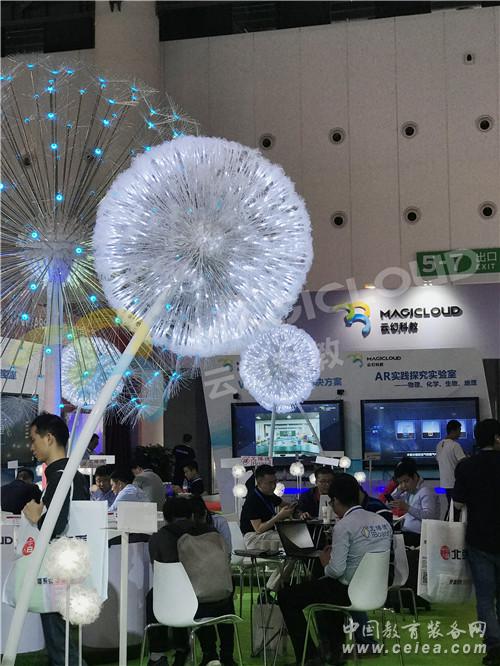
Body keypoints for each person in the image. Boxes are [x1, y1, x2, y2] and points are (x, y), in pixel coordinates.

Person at [277, 474, 392, 666]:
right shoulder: (382, 522)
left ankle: (309, 656)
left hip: (349, 590)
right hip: (378, 589)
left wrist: (325, 562)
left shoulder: (344, 526)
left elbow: (336, 571)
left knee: (287, 596)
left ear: (336, 500)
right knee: (325, 589)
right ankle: (333, 653)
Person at [23, 412, 89, 666]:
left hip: (58, 571)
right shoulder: (68, 475)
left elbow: (56, 526)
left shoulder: (63, 477)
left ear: (49, 438)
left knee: (61, 646)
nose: (32, 447)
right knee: (63, 643)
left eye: (34, 439)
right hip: (68, 569)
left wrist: (35, 517)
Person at [147, 497, 237, 666]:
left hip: (187, 606)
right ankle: (225, 654)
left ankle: (160, 654)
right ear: (192, 514)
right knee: (214, 585)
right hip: (221, 603)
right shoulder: (212, 532)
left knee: (156, 595)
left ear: (166, 517)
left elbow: (159, 573)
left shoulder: (161, 537)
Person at [453, 419, 500, 666]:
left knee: (484, 598)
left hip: (479, 539)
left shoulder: (466, 467)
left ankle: (494, 647)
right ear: (496, 438)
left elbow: (458, 503)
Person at [390, 458, 439, 609]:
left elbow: (429, 516)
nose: (404, 485)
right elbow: (390, 499)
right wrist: (399, 489)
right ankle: (396, 595)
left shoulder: (426, 491)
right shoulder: (409, 492)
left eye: (406, 481)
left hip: (420, 537)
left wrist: (407, 507)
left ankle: (402, 596)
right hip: (409, 534)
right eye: (401, 482)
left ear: (415, 476)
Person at [239, 464, 296, 549]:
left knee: (296, 534)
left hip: (268, 533)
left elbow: (286, 505)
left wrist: (297, 509)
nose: (273, 486)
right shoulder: (253, 499)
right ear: (259, 483)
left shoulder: (269, 494)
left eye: (275, 482)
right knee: (291, 539)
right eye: (270, 483)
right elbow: (259, 529)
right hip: (253, 537)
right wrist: (279, 516)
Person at [436, 419, 466, 511]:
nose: (460, 433)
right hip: (455, 483)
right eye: (459, 430)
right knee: (457, 509)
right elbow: (464, 463)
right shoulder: (455, 445)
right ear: (453, 431)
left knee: (451, 507)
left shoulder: (439, 445)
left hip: (444, 484)